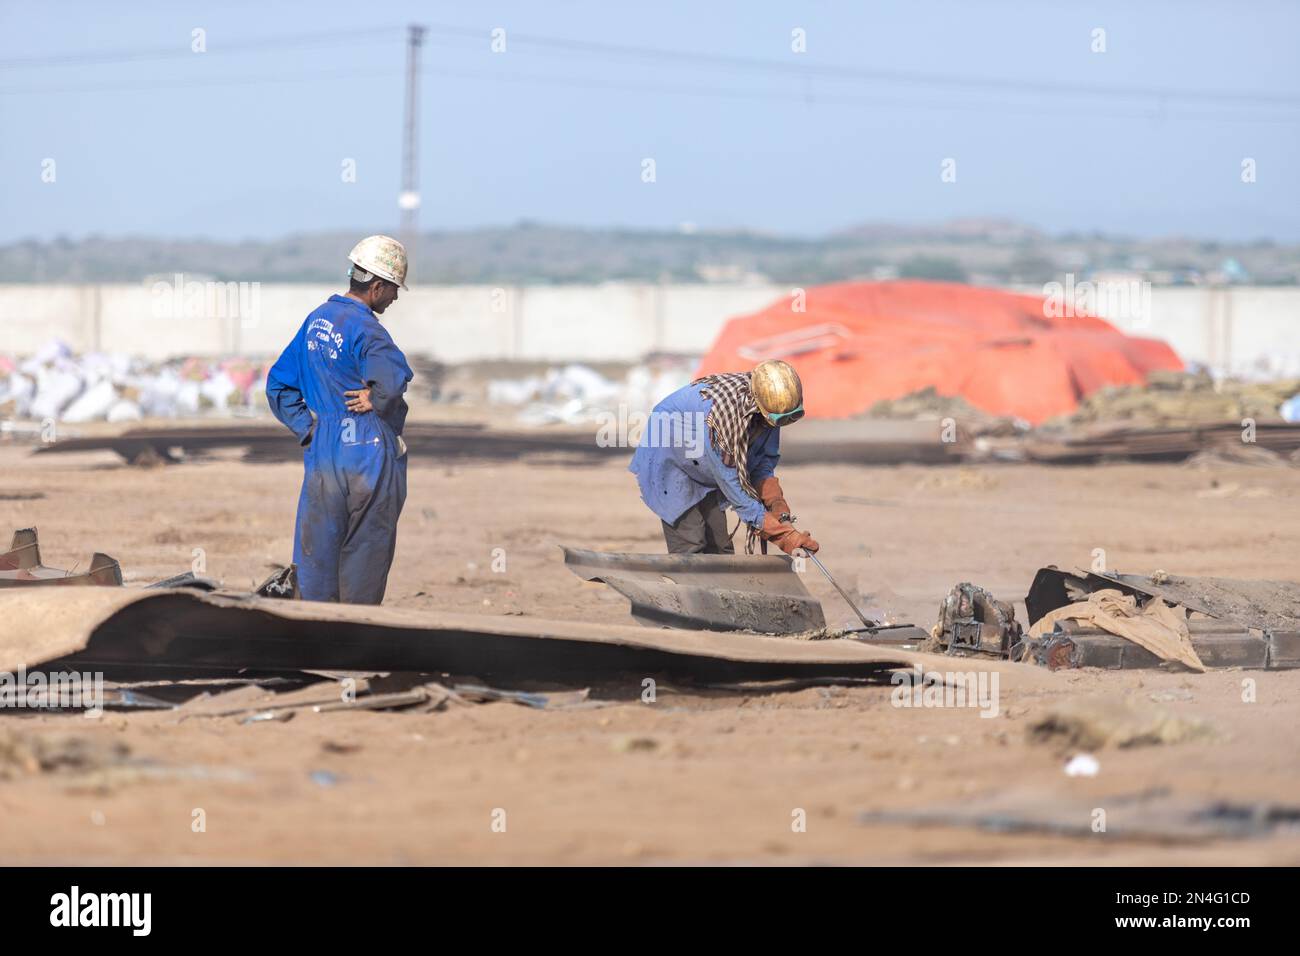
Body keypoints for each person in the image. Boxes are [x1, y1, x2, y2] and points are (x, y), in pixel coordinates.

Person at [265, 235, 413, 603]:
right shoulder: (368, 330)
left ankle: (316, 632)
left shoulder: (317, 320)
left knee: (318, 549)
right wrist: (376, 400)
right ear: (377, 286)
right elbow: (392, 383)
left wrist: (308, 428)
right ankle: (354, 637)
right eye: (393, 289)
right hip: (367, 451)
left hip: (324, 449)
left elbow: (278, 386)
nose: (394, 298)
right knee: (365, 551)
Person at [629, 359, 819, 556]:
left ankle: (719, 587)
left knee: (719, 547)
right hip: (667, 448)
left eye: (791, 417)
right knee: (692, 544)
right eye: (779, 420)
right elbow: (734, 488)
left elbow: (762, 462)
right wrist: (783, 536)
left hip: (701, 456)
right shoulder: (722, 420)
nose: (782, 423)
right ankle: (691, 587)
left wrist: (777, 507)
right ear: (757, 402)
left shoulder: (768, 410)